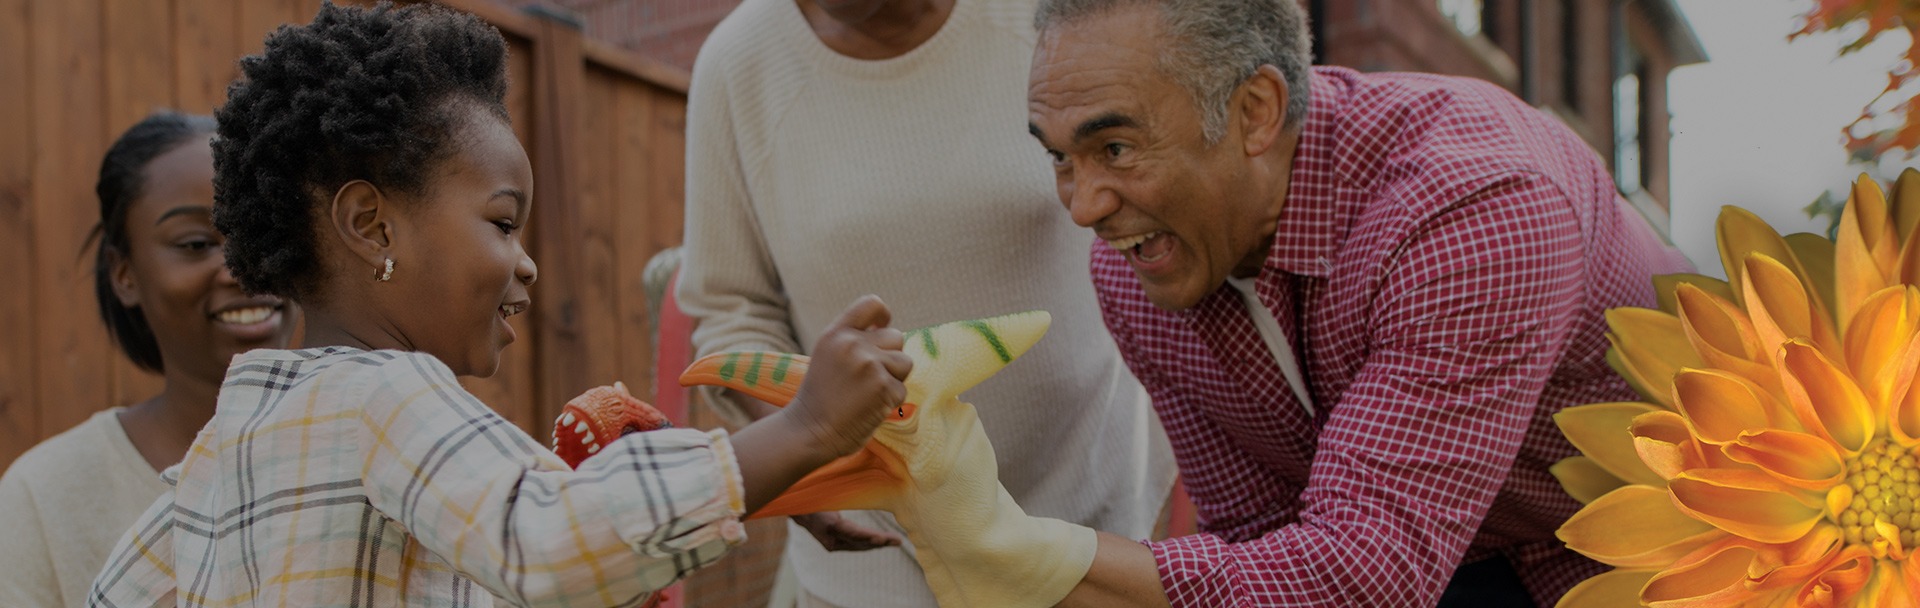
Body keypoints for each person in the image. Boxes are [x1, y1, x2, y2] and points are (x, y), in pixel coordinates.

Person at [85, 3, 911, 606]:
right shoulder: (390, 396)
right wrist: (801, 431)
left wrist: (767, 481)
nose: (529, 266)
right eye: (502, 223)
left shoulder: (229, 441)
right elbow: (549, 540)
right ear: (371, 225)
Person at [1006, 0, 1698, 605]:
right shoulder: (1143, 269)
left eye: (1117, 148)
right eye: (1062, 158)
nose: (1084, 207)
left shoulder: (1474, 210)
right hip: (1454, 557)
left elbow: (1366, 577)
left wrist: (1024, 554)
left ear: (1255, 113)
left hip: (1699, 540)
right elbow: (1258, 540)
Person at [677, 0, 1175, 603]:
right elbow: (731, 309)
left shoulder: (1049, 16)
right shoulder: (737, 65)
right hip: (883, 559)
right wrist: (810, 465)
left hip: (1089, 524)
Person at [0, 112, 298, 607]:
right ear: (125, 274)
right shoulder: (44, 498)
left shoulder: (376, 450)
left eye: (261, 233)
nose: (242, 269)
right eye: (197, 244)